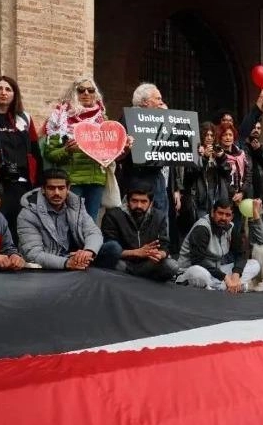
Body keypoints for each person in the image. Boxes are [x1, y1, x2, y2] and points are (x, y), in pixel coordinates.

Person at [0, 76, 42, 238]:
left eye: (8, 89)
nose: (3, 93)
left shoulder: (24, 118)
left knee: (19, 225)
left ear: (15, 94)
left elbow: (35, 151)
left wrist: (39, 181)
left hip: (21, 182)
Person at [43, 78, 111, 220]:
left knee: (90, 222)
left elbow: (109, 153)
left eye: (90, 90)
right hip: (72, 181)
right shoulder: (60, 117)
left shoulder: (103, 119)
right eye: (81, 90)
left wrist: (123, 146)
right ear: (74, 93)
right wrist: (67, 150)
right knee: (70, 222)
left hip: (96, 180)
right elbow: (50, 154)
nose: (86, 93)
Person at [119, 83, 180, 238]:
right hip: (136, 176)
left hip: (156, 175)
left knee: (160, 215)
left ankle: (161, 250)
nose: (161, 102)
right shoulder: (129, 117)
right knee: (138, 216)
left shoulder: (161, 117)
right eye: (157, 98)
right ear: (145, 102)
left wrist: (167, 119)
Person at [16, 168, 105, 271]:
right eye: (51, 188)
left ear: (68, 188)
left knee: (111, 248)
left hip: (74, 257)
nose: (57, 193)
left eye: (61, 188)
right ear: (43, 189)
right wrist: (67, 263)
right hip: (47, 264)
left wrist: (88, 251)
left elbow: (93, 232)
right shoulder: (28, 213)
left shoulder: (75, 206)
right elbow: (33, 254)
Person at [176, 199, 259, 292]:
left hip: (216, 273)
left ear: (232, 217)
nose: (223, 218)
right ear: (212, 213)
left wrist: (236, 275)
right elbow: (198, 260)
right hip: (192, 270)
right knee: (199, 273)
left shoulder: (231, 228)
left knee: (254, 265)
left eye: (227, 215)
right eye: (220, 213)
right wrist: (225, 277)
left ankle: (225, 286)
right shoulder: (202, 228)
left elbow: (240, 254)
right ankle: (227, 287)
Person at [100, 182, 177, 282]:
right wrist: (136, 253)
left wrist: (158, 254)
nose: (139, 206)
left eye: (143, 201)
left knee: (172, 266)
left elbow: (164, 245)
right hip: (125, 263)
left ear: (151, 203)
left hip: (148, 263)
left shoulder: (159, 217)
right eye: (134, 201)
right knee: (115, 264)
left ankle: (139, 279)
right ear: (127, 201)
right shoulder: (113, 215)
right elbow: (110, 249)